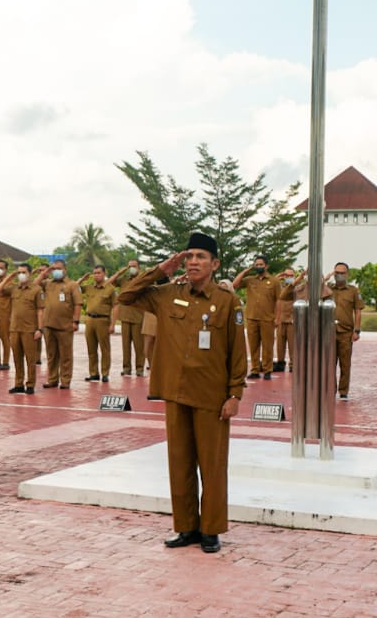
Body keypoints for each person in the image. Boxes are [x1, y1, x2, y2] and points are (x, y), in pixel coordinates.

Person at [116, 233, 246, 554]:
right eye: (189, 257)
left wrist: (235, 394)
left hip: (211, 396)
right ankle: (186, 527)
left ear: (215, 264)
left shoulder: (227, 301)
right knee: (180, 463)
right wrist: (161, 270)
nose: (193, 262)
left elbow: (237, 352)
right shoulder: (167, 294)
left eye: (200, 257)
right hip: (175, 392)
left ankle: (211, 530)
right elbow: (126, 296)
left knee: (212, 466)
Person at [0, 263, 43, 393]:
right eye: (19, 272)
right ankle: (18, 383)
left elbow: (40, 311)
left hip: (29, 329)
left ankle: (30, 384)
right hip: (15, 329)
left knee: (30, 359)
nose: (21, 275)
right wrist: (8, 278)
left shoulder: (36, 289)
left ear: (30, 274)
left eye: (23, 272)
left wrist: (40, 329)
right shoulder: (14, 288)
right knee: (17, 358)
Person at [233, 256, 281, 380]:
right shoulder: (250, 280)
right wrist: (245, 271)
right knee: (253, 346)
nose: (259, 267)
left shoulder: (274, 281)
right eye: (257, 264)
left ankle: (267, 370)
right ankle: (254, 369)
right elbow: (235, 284)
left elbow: (278, 301)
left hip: (267, 318)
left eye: (261, 264)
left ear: (266, 266)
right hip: (251, 318)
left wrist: (277, 318)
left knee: (267, 346)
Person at [322, 263, 363, 400]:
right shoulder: (327, 289)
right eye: (337, 272)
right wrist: (325, 279)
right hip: (329, 332)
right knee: (329, 364)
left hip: (345, 332)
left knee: (345, 364)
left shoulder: (353, 291)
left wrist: (357, 330)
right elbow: (314, 292)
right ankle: (330, 390)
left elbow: (358, 311)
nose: (339, 275)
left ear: (347, 274)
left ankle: (343, 391)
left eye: (342, 273)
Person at [37, 262, 81, 388]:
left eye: (59, 269)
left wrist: (75, 321)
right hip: (49, 324)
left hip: (65, 326)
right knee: (51, 355)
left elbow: (78, 304)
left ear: (65, 269)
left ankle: (65, 381)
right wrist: (46, 272)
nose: (56, 271)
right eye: (54, 269)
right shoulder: (48, 283)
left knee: (66, 355)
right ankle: (52, 379)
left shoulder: (72, 285)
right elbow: (35, 284)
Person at [80, 265, 117, 382]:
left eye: (99, 273)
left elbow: (116, 307)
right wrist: (82, 279)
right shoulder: (89, 287)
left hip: (103, 320)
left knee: (104, 349)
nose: (96, 275)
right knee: (91, 349)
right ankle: (94, 373)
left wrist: (113, 324)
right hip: (90, 320)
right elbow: (73, 288)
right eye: (95, 273)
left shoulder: (110, 289)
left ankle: (105, 373)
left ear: (104, 273)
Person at [110, 260, 147, 376]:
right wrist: (120, 272)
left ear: (139, 268)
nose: (131, 268)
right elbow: (109, 282)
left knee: (139, 346)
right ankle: (126, 368)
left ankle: (140, 368)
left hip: (138, 317)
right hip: (125, 316)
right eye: (129, 266)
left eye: (134, 266)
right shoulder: (123, 280)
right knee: (125, 346)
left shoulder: (142, 280)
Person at [275, 265, 299, 373]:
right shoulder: (279, 287)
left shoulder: (297, 288)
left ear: (294, 276)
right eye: (286, 275)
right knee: (280, 344)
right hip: (280, 319)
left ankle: (293, 364)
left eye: (291, 275)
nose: (289, 277)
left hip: (291, 320)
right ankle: (280, 363)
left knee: (292, 344)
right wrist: (277, 278)